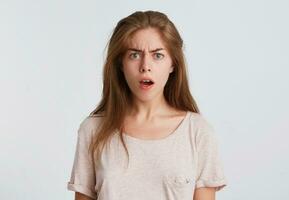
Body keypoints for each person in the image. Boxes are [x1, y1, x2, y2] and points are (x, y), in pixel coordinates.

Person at [67, 10, 227, 200]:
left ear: (173, 64)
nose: (145, 66)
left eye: (157, 55)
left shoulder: (198, 132)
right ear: (120, 63)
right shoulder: (93, 130)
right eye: (134, 55)